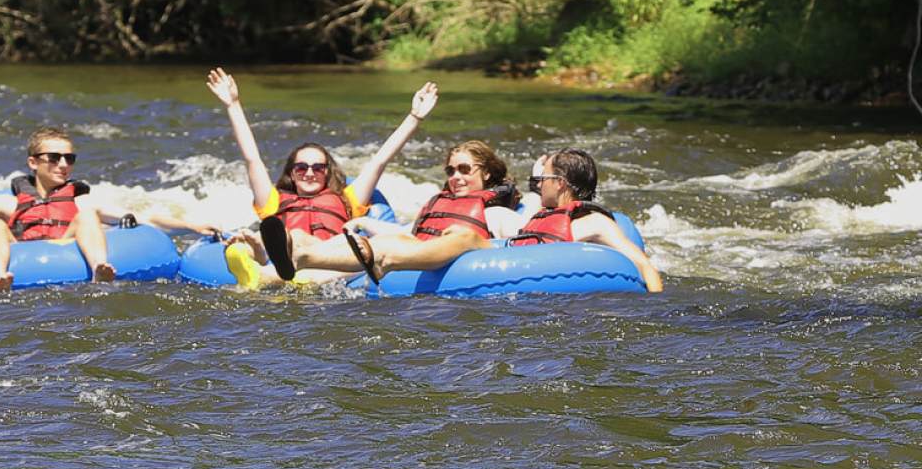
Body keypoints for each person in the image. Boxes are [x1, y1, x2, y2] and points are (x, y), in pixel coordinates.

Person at [271, 145, 664, 293]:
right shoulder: (536, 213)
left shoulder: (593, 223)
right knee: (414, 239)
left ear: (560, 184)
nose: (536, 186)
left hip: (519, 263)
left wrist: (655, 311)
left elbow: (642, 263)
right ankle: (304, 253)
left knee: (463, 234)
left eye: (540, 179)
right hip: (502, 255)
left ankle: (372, 259)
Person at [0, 126, 217, 292]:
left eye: (69, 159)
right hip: (21, 247)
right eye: (54, 158)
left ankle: (100, 268)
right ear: (33, 163)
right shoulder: (8, 202)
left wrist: (191, 226)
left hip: (68, 240)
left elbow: (142, 218)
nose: (63, 165)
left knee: (88, 215)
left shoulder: (80, 200)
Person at [206, 67, 438, 290]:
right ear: (292, 173)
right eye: (301, 167)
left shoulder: (349, 198)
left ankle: (268, 274)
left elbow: (380, 160)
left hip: (328, 253)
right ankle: (253, 254)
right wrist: (233, 104)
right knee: (259, 239)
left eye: (318, 168)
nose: (309, 173)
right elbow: (252, 159)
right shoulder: (274, 200)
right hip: (282, 251)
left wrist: (414, 117)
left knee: (306, 239)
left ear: (328, 172)